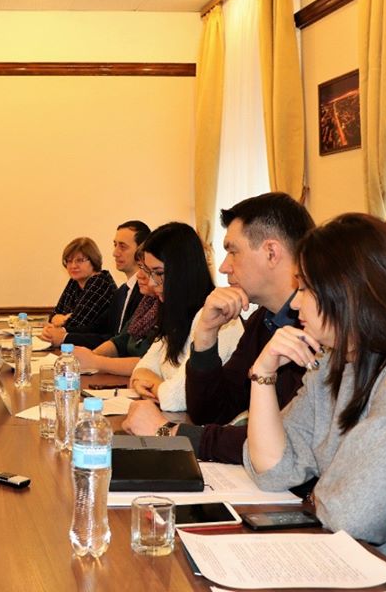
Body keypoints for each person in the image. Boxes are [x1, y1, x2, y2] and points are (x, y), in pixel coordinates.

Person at [244, 213, 386, 562]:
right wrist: (263, 373)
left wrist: (318, 497)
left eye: (305, 288)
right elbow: (272, 470)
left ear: (348, 292)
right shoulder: (335, 364)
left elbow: (354, 514)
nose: (294, 303)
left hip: (380, 573)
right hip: (335, 558)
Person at [123, 193, 314, 463]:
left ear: (271, 253)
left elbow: (282, 443)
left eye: (233, 251)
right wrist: (205, 335)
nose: (224, 267)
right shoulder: (264, 321)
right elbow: (213, 412)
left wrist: (168, 432)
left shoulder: (320, 328)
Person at [125, 222, 243, 412]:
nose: (152, 283)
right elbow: (143, 366)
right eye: (149, 272)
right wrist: (149, 381)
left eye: (159, 273)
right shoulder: (175, 313)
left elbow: (178, 398)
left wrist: (155, 386)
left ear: (183, 270)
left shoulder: (218, 317)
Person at [73, 247, 160, 376]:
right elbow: (120, 341)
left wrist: (95, 361)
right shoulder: (147, 303)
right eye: (140, 267)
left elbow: (153, 364)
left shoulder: (167, 307)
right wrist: (89, 357)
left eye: (148, 270)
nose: (139, 275)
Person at [39, 237, 116, 348]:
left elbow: (76, 325)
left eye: (79, 260)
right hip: (75, 345)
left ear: (93, 260)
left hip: (97, 348)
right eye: (69, 261)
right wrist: (60, 319)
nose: (73, 266)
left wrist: (62, 321)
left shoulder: (100, 282)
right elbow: (54, 316)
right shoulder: (74, 282)